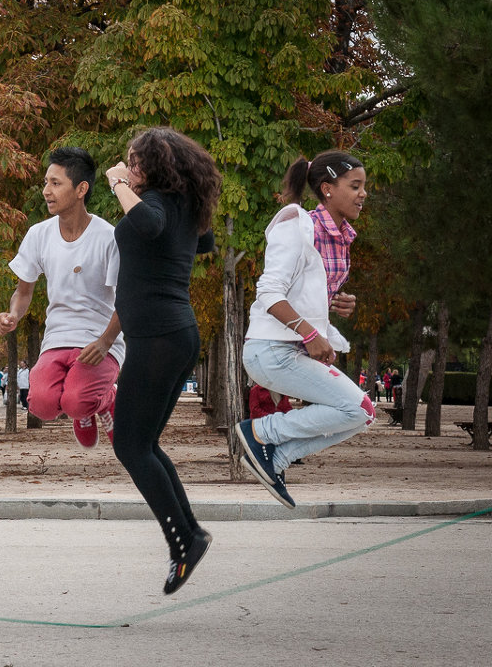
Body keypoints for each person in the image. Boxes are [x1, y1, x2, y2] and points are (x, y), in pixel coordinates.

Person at [105, 127, 221, 595]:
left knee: (130, 445)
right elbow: (198, 243)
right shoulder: (186, 205)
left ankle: (184, 540)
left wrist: (118, 184)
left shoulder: (151, 204)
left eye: (133, 161)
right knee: (143, 444)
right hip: (174, 335)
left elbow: (150, 227)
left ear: (151, 165)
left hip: (158, 338)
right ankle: (188, 536)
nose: (128, 167)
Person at [235, 151, 375, 509]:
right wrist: (311, 334)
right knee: (356, 408)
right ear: (327, 189)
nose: (363, 194)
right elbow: (268, 292)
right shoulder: (297, 224)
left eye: (364, 187)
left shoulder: (339, 237)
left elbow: (303, 293)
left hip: (289, 350)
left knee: (362, 413)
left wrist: (333, 305)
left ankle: (275, 460)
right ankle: (261, 432)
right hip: (271, 350)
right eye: (355, 186)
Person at [0, 146, 125, 447]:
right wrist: (13, 314)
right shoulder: (38, 234)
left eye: (56, 183)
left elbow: (127, 300)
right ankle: (86, 406)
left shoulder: (109, 237)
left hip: (99, 340)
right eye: (46, 183)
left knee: (77, 400)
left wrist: (106, 341)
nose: (46, 191)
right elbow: (23, 292)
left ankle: (103, 400)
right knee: (39, 404)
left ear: (81, 189)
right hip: (57, 339)